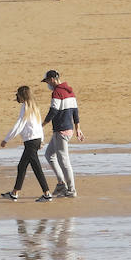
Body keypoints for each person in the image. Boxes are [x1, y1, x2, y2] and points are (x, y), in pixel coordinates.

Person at [0, 86, 53, 202]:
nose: (16, 97)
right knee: (22, 166)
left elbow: (20, 124)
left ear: (22, 96)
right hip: (35, 140)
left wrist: (6, 139)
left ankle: (47, 194)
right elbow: (38, 125)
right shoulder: (34, 106)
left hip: (31, 142)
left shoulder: (26, 107)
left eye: (17, 95)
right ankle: (14, 193)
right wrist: (42, 140)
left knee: (36, 168)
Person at [41, 70, 83, 198]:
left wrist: (42, 125)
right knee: (49, 155)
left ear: (53, 79)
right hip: (66, 130)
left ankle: (71, 190)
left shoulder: (57, 92)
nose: (47, 84)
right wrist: (78, 129)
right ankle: (61, 184)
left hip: (62, 131)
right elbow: (75, 112)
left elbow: (53, 111)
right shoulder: (70, 91)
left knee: (64, 161)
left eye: (47, 81)